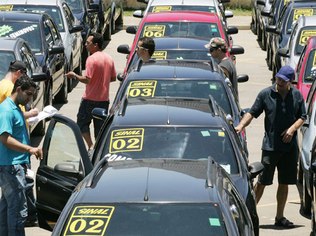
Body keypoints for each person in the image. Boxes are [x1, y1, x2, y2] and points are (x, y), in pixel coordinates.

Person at [235, 65, 307, 228]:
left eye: (283, 80)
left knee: (285, 182)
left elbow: (302, 116)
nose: (279, 82)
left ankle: (280, 217)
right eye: (278, 78)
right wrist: (240, 126)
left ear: (290, 82)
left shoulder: (296, 95)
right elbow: (252, 113)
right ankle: (248, 215)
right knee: (262, 181)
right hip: (270, 147)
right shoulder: (265, 94)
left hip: (289, 149)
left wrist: (292, 129)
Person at [0, 75, 43, 236]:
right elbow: (5, 139)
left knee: (7, 207)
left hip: (12, 166)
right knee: (18, 210)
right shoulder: (6, 110)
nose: (30, 98)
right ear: (18, 89)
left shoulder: (15, 108)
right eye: (29, 94)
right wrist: (30, 149)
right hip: (11, 167)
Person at [66, 32, 116, 151]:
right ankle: (99, 150)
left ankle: (91, 146)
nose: (85, 45)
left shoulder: (91, 59)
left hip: (89, 100)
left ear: (96, 45)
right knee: (100, 129)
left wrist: (74, 76)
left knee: (82, 123)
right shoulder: (109, 58)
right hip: (104, 100)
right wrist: (102, 79)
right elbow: (113, 78)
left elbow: (87, 80)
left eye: (88, 43)